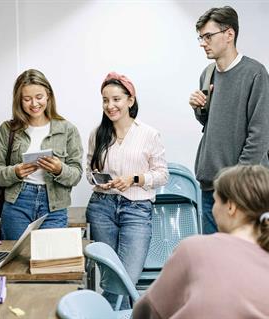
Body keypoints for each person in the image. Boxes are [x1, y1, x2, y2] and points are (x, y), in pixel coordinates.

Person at [132, 165, 269, 319]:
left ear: (231, 207)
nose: (213, 209)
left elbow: (148, 310)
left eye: (216, 201)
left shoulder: (194, 249)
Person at [189, 6, 269, 234]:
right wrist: (200, 109)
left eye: (208, 36)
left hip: (244, 190)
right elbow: (213, 124)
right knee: (214, 263)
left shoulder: (255, 74)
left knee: (248, 263)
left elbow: (261, 135)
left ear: (229, 34)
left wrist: (235, 181)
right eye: (201, 37)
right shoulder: (207, 74)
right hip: (211, 187)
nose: (203, 42)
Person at [86, 72, 168, 309]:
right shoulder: (97, 134)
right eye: (105, 100)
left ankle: (106, 313)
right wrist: (99, 181)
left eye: (116, 99)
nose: (110, 106)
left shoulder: (149, 134)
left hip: (137, 210)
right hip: (102, 207)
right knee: (111, 277)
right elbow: (88, 171)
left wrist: (134, 178)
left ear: (130, 100)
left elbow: (162, 175)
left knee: (126, 278)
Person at [0, 69, 83, 240]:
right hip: (17, 203)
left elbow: (76, 175)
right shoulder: (8, 129)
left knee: (49, 261)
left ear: (48, 96)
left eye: (39, 97)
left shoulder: (67, 129)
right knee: (15, 262)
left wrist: (59, 169)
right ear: (19, 100)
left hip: (54, 206)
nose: (34, 103)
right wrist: (15, 172)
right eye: (27, 99)